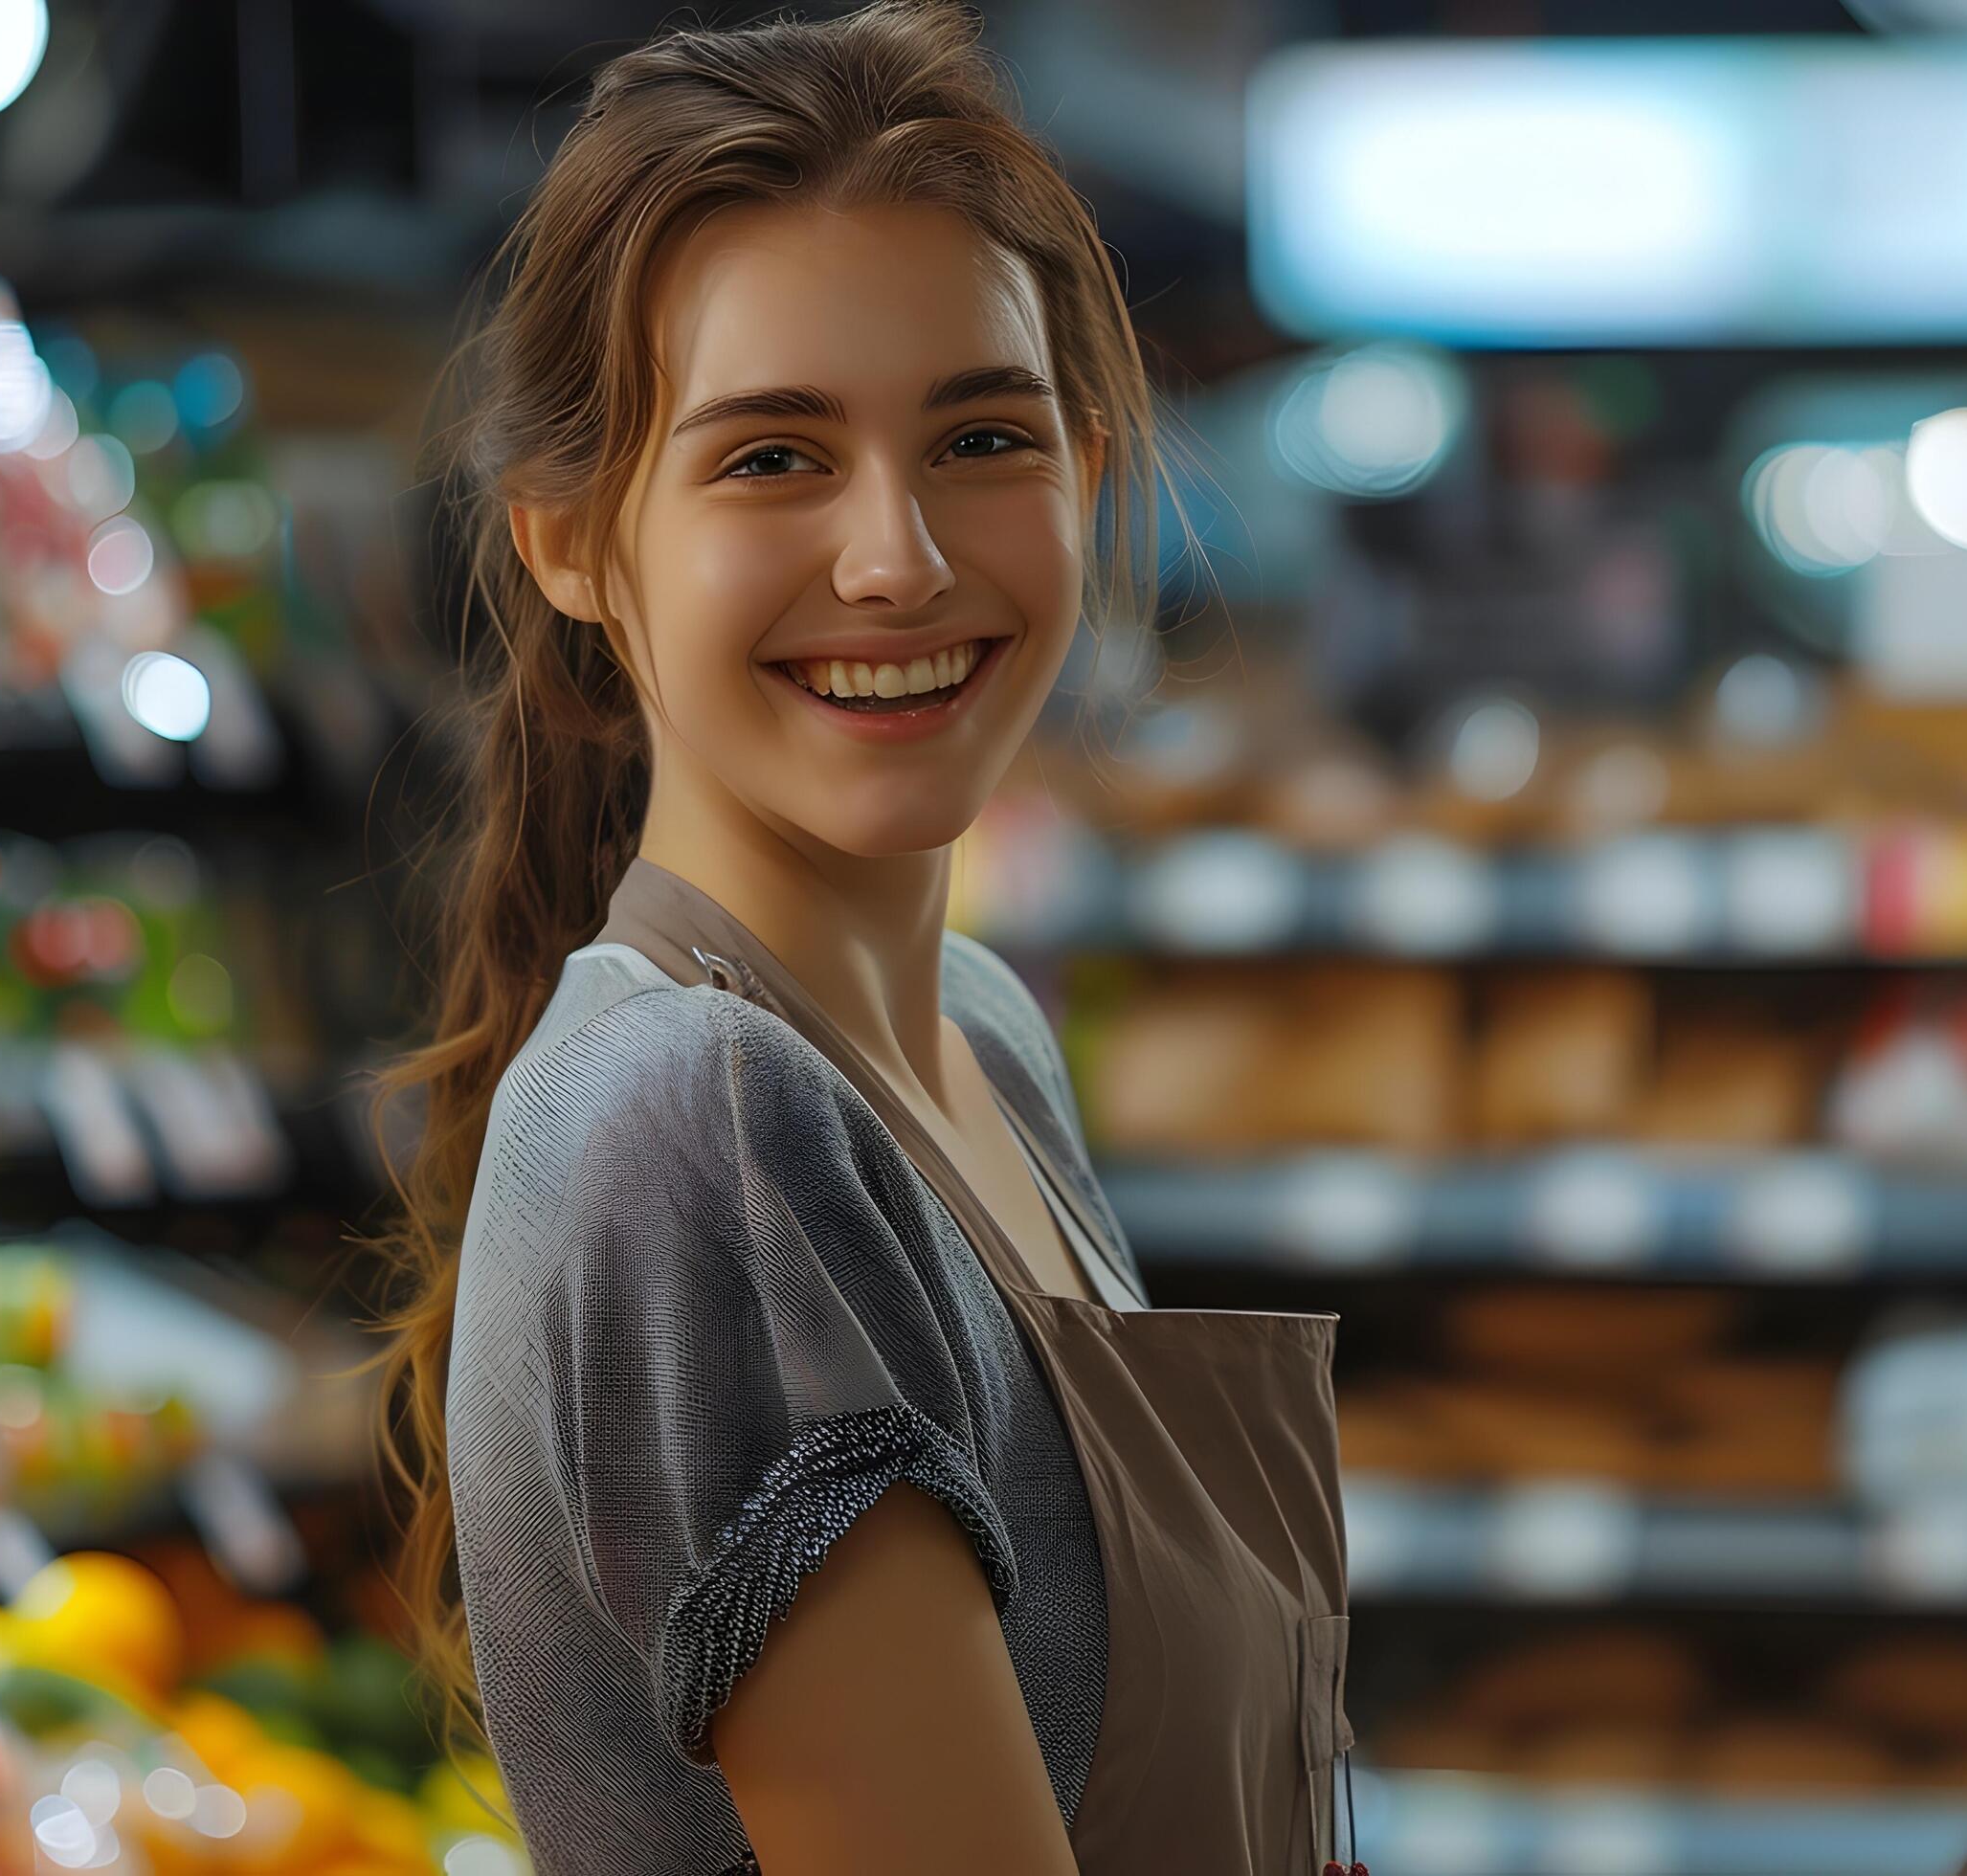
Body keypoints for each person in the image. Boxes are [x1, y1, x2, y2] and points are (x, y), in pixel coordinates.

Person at [371, 7, 1356, 1870]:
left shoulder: (976, 1031)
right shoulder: (710, 1128)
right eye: (771, 460)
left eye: (981, 434)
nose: (898, 556)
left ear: (1086, 464)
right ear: (575, 540)